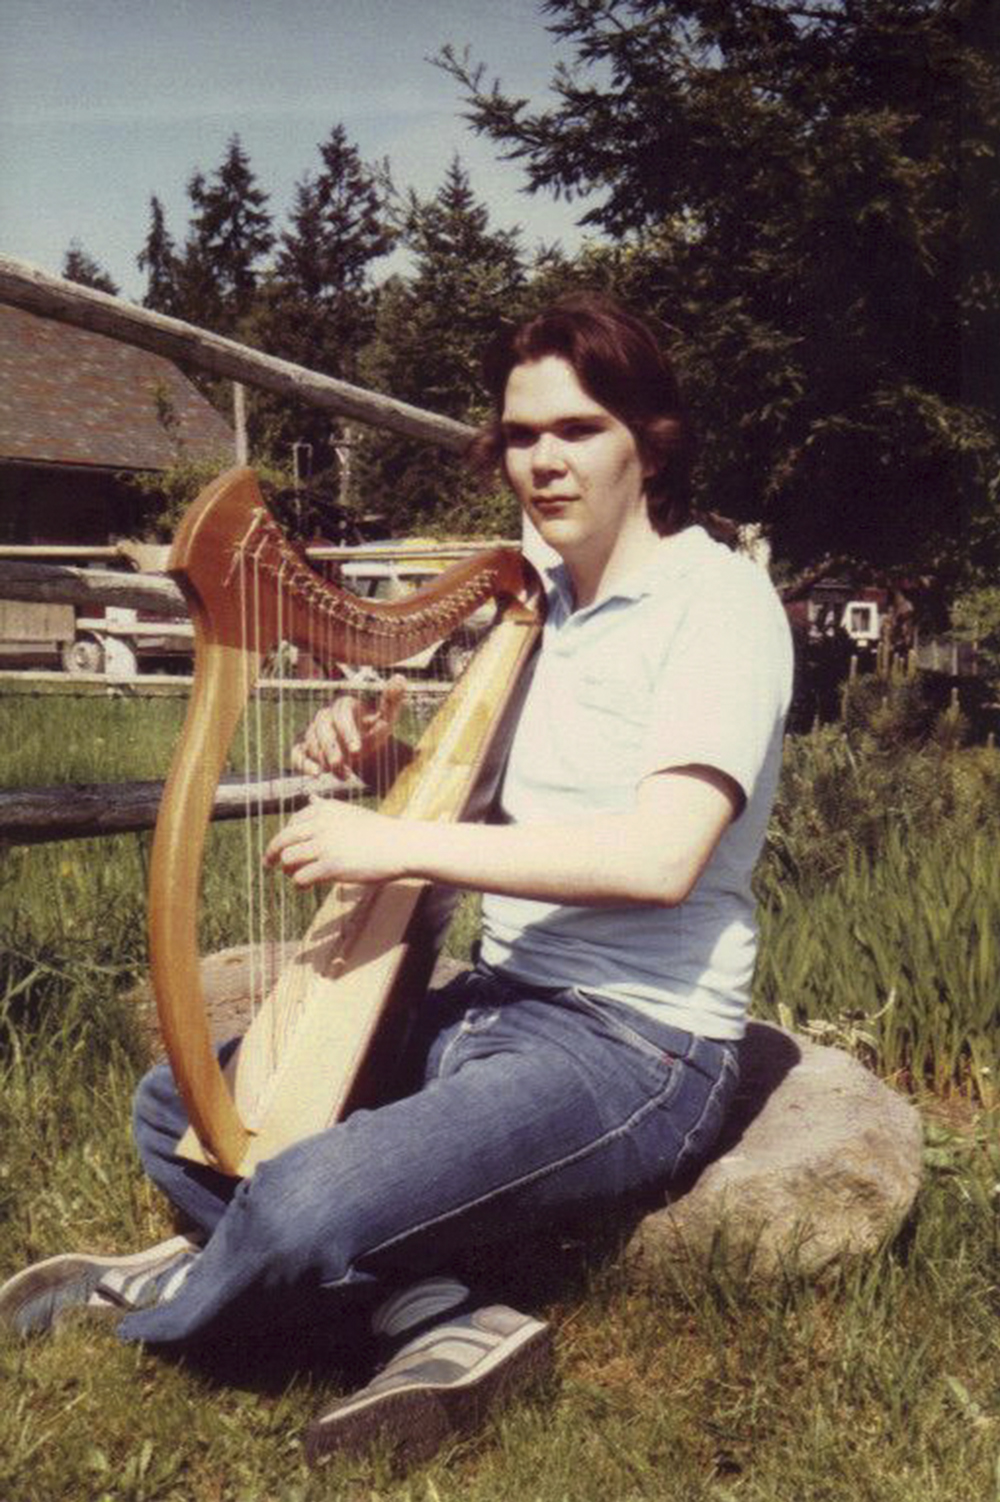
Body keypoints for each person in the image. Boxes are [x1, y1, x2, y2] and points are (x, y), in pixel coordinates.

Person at [0, 294, 793, 1468]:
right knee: (178, 1107)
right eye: (521, 434)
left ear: (649, 442)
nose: (542, 460)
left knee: (299, 1201)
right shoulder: (538, 599)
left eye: (576, 429)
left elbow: (657, 856)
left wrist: (394, 842)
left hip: (636, 1045)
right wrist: (384, 763)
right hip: (500, 1000)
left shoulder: (716, 604)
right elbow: (510, 801)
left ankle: (178, 1305)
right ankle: (437, 1311)